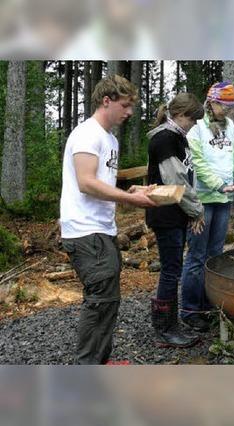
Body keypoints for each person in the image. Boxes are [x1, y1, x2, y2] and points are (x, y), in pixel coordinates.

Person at [59, 75, 156, 364]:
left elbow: (102, 181)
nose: (129, 112)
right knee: (100, 301)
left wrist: (132, 190)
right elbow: (86, 182)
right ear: (106, 101)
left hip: (102, 229)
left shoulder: (109, 139)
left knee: (108, 299)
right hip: (85, 231)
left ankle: (100, 361)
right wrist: (130, 200)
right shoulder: (87, 134)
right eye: (125, 105)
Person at [180, 81, 234, 332]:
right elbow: (197, 162)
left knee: (215, 255)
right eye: (224, 106)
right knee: (196, 256)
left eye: (232, 106)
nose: (228, 111)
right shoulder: (196, 128)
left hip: (224, 200)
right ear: (212, 102)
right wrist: (219, 185)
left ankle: (210, 303)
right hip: (201, 201)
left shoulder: (230, 127)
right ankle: (189, 309)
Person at [145, 93, 205, 348]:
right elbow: (176, 181)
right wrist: (196, 210)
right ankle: (166, 329)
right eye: (191, 118)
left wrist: (189, 210)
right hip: (165, 213)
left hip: (175, 211)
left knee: (173, 269)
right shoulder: (165, 139)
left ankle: (170, 324)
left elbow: (186, 177)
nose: (192, 124)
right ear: (179, 115)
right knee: (171, 272)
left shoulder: (178, 137)